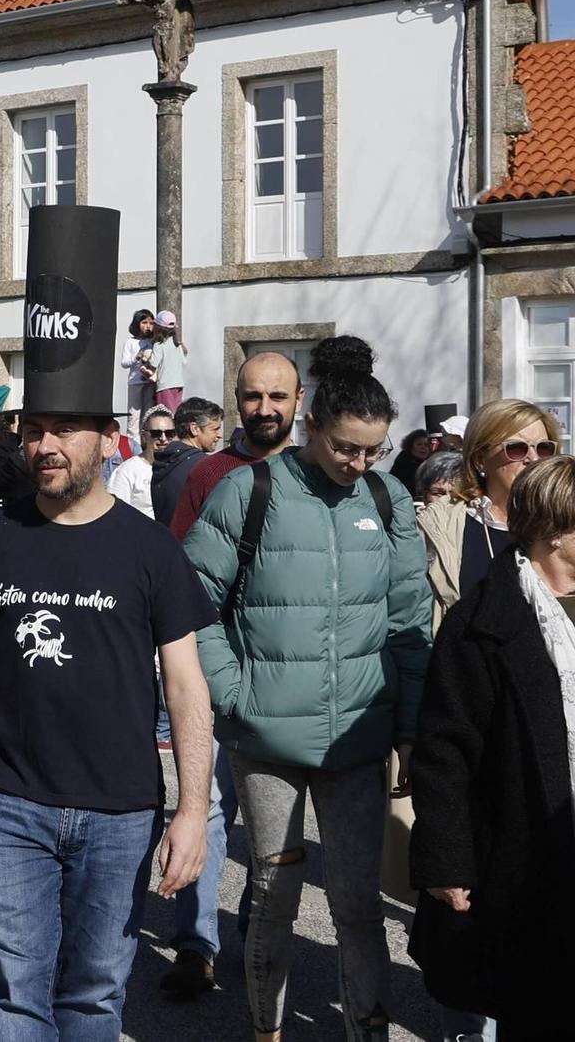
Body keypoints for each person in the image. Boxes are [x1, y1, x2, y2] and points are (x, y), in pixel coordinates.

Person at [0, 406, 213, 1040]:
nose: (45, 447)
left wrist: (194, 811)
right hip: (7, 805)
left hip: (121, 811)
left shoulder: (150, 547)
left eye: (64, 432)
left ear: (110, 441)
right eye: (33, 433)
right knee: (11, 995)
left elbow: (187, 685)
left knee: (95, 996)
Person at [184, 336, 432, 1042]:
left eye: (373, 451)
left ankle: (369, 1032)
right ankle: (267, 1030)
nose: (359, 464)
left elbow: (411, 623)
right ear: (313, 427)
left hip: (359, 739)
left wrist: (408, 725)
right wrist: (234, 692)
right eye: (347, 448)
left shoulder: (388, 499)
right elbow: (190, 601)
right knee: (274, 895)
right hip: (265, 739)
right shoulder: (248, 489)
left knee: (358, 902)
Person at [410, 455, 575, 1040]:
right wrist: (446, 860)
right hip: (523, 856)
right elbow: (444, 752)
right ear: (553, 531)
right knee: (538, 1004)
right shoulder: (481, 623)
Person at [420, 398, 563, 616]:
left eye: (543, 448)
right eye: (517, 448)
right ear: (479, 459)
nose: (533, 459)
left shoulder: (565, 520)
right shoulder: (440, 524)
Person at [169, 352, 304, 538]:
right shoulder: (207, 473)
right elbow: (181, 559)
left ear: (298, 400)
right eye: (252, 397)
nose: (264, 410)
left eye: (278, 397)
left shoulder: (317, 472)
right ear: (237, 399)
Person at [149, 396, 222, 529]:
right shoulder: (205, 467)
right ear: (194, 429)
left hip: (166, 544)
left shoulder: (163, 461)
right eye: (215, 429)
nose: (219, 435)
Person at [108, 409, 174, 519]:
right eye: (156, 433)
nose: (163, 439)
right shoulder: (127, 471)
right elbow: (115, 515)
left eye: (169, 433)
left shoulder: (178, 467)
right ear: (144, 435)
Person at [121, 309, 158, 418]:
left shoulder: (154, 341)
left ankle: (146, 434)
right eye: (144, 323)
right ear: (137, 324)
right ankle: (133, 435)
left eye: (151, 323)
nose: (148, 326)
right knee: (134, 414)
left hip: (150, 381)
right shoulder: (130, 342)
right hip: (135, 382)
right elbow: (124, 363)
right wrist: (136, 357)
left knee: (148, 413)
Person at [149, 311, 187, 413]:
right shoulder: (177, 344)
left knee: (166, 414)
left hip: (165, 384)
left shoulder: (158, 345)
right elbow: (184, 361)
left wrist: (146, 356)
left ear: (157, 327)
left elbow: (153, 363)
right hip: (178, 383)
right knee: (176, 412)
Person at [389, 428, 434, 495]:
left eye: (426, 445)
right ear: (410, 446)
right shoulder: (404, 462)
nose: (423, 447)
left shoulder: (431, 462)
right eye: (419, 444)